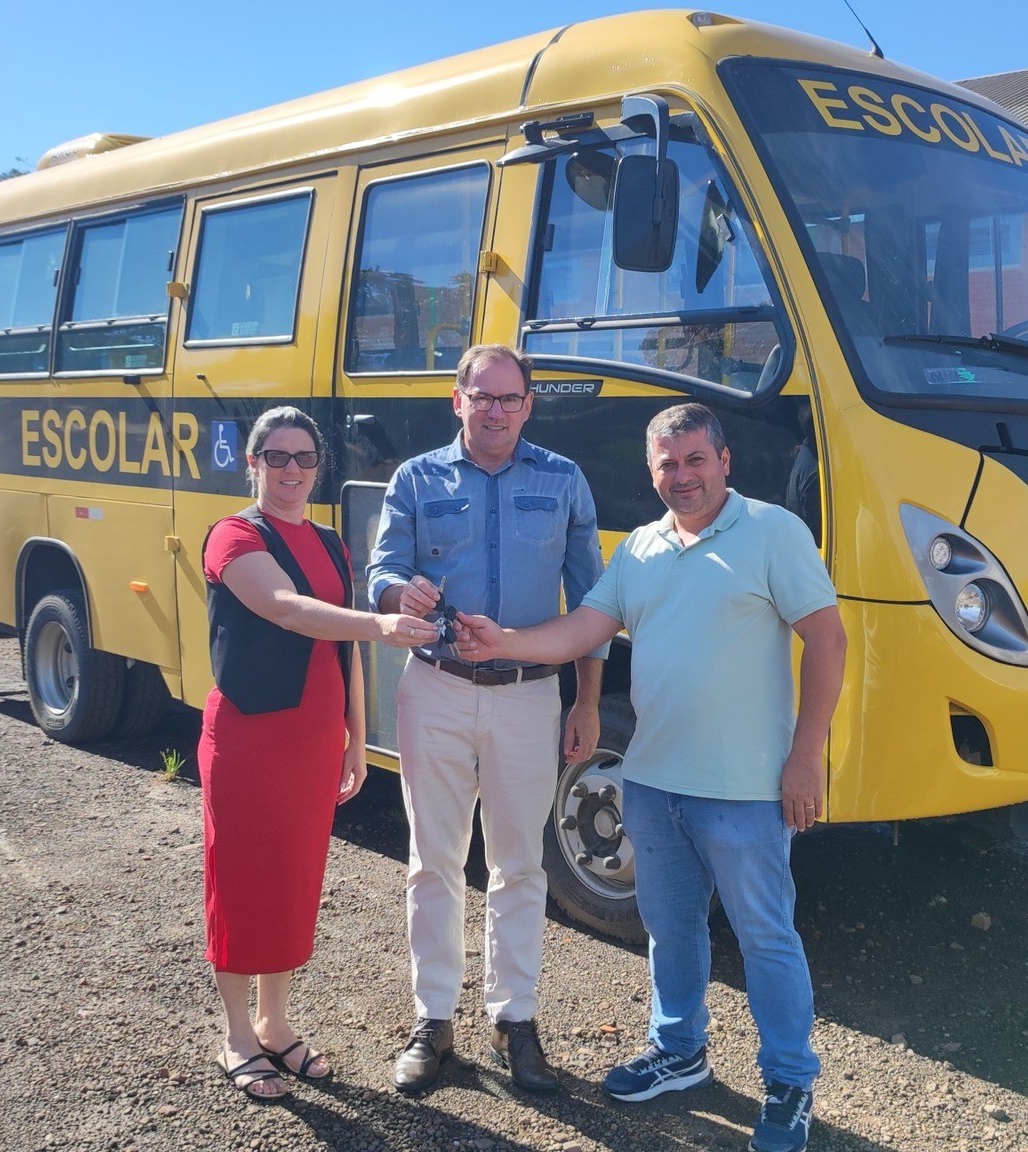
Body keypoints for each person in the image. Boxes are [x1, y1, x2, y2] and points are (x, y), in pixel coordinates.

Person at [455, 402, 846, 1152]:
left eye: (696, 460)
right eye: (667, 464)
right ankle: (680, 1053)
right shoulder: (639, 546)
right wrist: (504, 642)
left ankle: (790, 1081)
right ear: (652, 471)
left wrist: (806, 756)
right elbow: (586, 630)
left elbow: (827, 642)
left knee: (767, 938)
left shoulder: (772, 532)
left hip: (746, 791)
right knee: (671, 934)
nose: (682, 476)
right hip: (654, 782)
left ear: (724, 461)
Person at [367, 344, 607, 1094]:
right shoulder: (415, 479)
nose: (496, 411)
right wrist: (396, 594)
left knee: (519, 865)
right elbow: (380, 570)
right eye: (483, 397)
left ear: (529, 404)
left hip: (529, 695)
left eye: (510, 398)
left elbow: (594, 604)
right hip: (435, 688)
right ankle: (433, 1023)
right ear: (457, 400)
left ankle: (515, 1022)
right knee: (433, 859)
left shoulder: (563, 480)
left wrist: (589, 702)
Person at [199, 406, 439, 1103]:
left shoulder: (331, 541)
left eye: (305, 457)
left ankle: (275, 1023)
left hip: (311, 740)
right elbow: (286, 609)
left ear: (319, 465)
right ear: (254, 463)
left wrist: (355, 736)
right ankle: (238, 1035)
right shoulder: (235, 536)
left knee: (293, 879)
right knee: (241, 879)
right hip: (247, 736)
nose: (293, 470)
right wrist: (382, 621)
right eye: (277, 457)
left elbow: (342, 650)